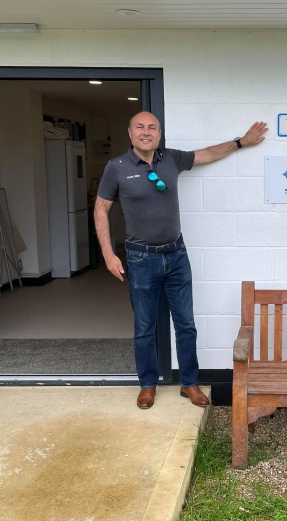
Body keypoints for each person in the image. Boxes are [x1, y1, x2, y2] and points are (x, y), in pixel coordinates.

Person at [94, 112, 268, 409]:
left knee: (186, 324)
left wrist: (241, 142)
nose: (146, 132)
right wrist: (109, 254)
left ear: (159, 134)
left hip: (176, 255)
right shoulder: (117, 167)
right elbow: (101, 209)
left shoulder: (171, 159)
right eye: (140, 127)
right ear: (130, 132)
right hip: (140, 259)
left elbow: (209, 153)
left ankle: (189, 383)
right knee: (145, 327)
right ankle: (147, 385)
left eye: (152, 127)